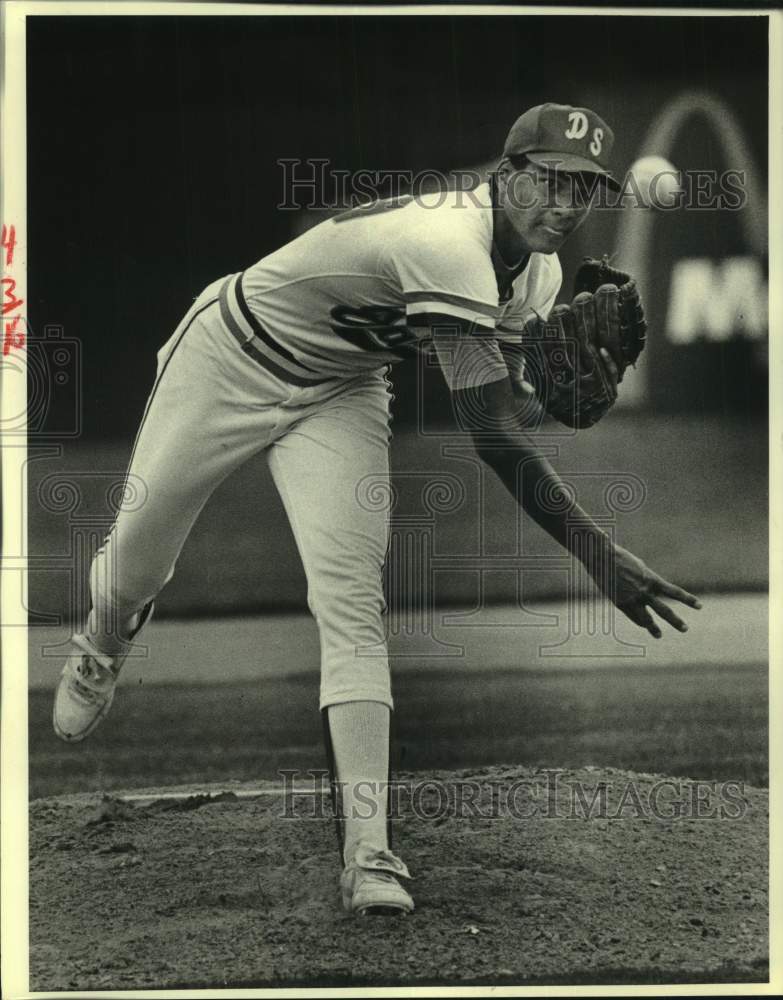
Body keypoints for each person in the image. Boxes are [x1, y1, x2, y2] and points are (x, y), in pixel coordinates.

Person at [53, 103, 701, 917]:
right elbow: (496, 442)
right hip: (227, 355)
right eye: (552, 180)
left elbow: (511, 410)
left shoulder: (533, 276)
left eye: (584, 189)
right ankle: (105, 640)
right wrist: (603, 557)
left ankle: (369, 855)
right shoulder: (445, 240)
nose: (567, 205)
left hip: (342, 388)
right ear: (509, 174)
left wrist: (568, 395)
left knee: (352, 598)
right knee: (135, 559)